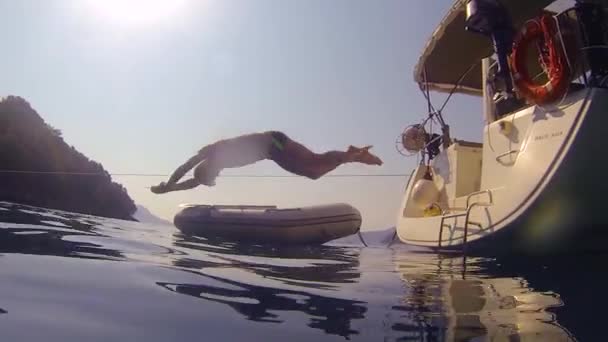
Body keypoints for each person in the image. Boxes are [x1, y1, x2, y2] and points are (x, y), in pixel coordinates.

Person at [150, 130, 383, 194]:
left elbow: (186, 167)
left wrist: (168, 184)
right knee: (313, 172)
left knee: (311, 163)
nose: (217, 177)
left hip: (273, 142)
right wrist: (170, 190)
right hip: (273, 150)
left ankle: (352, 155)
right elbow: (192, 182)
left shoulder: (209, 153)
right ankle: (350, 156)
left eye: (212, 177)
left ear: (207, 170)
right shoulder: (214, 167)